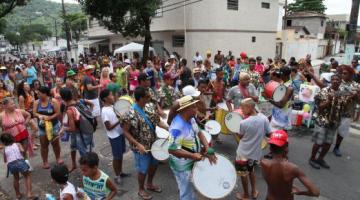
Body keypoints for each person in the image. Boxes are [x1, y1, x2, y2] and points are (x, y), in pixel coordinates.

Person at [121, 86, 168, 200]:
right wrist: (137, 144)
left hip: (154, 144)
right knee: (143, 169)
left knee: (154, 165)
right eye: (147, 96)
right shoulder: (129, 113)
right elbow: (125, 132)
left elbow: (157, 121)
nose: (150, 98)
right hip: (140, 147)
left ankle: (150, 184)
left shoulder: (150, 106)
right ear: (141, 98)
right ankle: (141, 189)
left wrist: (168, 128)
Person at [168, 95, 216, 200]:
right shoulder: (177, 127)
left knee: (192, 187)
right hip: (182, 165)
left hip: (192, 160)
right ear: (186, 109)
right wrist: (192, 155)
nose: (196, 109)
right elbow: (172, 149)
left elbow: (199, 133)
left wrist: (207, 147)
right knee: (185, 191)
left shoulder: (191, 119)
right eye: (194, 107)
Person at [261, 130, 320, 200]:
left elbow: (276, 181)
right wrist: (300, 192)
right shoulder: (292, 168)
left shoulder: (263, 162)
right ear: (286, 148)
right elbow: (315, 192)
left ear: (270, 148)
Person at [235, 98, 271, 200]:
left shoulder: (243, 123)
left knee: (243, 174)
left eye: (243, 107)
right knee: (251, 171)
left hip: (243, 153)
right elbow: (269, 133)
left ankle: (246, 195)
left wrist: (234, 131)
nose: (241, 110)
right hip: (255, 153)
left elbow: (241, 137)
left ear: (250, 107)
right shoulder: (264, 118)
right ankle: (254, 191)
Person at [309, 74, 346, 169]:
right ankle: (312, 159)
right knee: (318, 142)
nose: (335, 81)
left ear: (340, 81)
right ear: (331, 81)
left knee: (328, 143)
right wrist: (328, 101)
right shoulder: (324, 91)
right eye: (333, 79)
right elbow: (319, 108)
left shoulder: (342, 94)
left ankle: (320, 159)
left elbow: (343, 108)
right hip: (322, 121)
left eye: (337, 79)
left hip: (334, 123)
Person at [100, 89, 129, 185]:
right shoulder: (104, 111)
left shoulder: (112, 106)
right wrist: (119, 120)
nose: (113, 96)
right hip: (114, 136)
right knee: (116, 156)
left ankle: (120, 172)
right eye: (111, 95)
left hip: (120, 134)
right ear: (105, 98)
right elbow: (108, 127)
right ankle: (117, 176)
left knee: (120, 154)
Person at [333, 66, 360, 156]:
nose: (343, 75)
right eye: (342, 73)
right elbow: (334, 94)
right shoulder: (338, 82)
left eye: (345, 73)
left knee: (342, 132)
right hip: (335, 110)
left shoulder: (356, 86)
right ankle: (325, 145)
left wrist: (355, 95)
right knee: (330, 129)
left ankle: (336, 147)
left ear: (351, 75)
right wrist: (349, 95)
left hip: (347, 113)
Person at [0, 133, 37, 200]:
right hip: (19, 161)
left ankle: (18, 194)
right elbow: (22, 151)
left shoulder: (5, 149)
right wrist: (22, 153)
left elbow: (5, 160)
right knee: (27, 176)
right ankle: (29, 193)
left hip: (11, 164)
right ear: (12, 138)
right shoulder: (17, 144)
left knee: (16, 178)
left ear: (3, 142)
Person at [33, 86, 62, 169]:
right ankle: (45, 161)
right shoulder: (36, 102)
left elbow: (58, 113)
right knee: (43, 145)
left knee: (55, 143)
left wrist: (49, 118)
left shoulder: (53, 101)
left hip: (54, 126)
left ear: (45, 94)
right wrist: (40, 116)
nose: (37, 95)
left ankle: (58, 158)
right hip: (42, 127)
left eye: (39, 93)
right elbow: (34, 113)